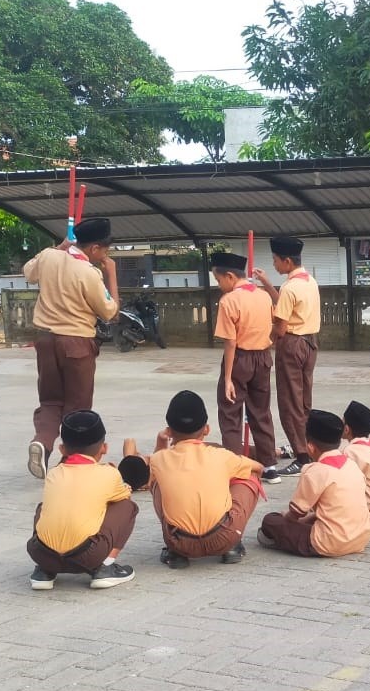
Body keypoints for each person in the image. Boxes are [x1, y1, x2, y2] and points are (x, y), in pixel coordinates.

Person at [24, 217, 120, 479]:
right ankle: (70, 462)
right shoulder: (88, 272)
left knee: (50, 401)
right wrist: (111, 274)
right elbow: (109, 311)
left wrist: (59, 246)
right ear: (94, 249)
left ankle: (42, 442)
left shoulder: (49, 256)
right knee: (77, 407)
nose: (105, 256)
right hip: (77, 342)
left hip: (46, 341)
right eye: (105, 251)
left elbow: (28, 272)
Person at [126, 390, 263, 568]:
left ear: (169, 431)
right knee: (249, 474)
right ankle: (232, 546)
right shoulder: (220, 455)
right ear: (206, 429)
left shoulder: (159, 459)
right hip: (224, 537)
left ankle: (175, 554)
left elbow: (149, 468)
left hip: (180, 542)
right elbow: (258, 468)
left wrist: (161, 443)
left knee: (157, 481)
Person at [27, 410, 137, 590]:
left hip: (41, 553)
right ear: (104, 448)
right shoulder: (109, 473)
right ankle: (104, 568)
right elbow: (124, 495)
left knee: (43, 507)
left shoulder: (53, 473)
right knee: (126, 506)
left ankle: (44, 571)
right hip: (86, 557)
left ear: (62, 449)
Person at [258, 410, 370, 557]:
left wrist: (286, 519)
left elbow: (295, 513)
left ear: (310, 447)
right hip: (362, 536)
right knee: (311, 517)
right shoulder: (351, 465)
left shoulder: (314, 470)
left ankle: (283, 540)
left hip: (330, 542)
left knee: (270, 521)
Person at [255, 236, 320, 477]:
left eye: (275, 260)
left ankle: (302, 457)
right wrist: (266, 282)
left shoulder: (291, 287)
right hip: (310, 343)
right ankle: (310, 447)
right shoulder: (309, 281)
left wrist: (262, 344)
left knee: (289, 403)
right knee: (303, 401)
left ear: (287, 260)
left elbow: (280, 328)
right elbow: (284, 302)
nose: (274, 264)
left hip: (292, 346)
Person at [211, 251, 278, 481]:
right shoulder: (263, 296)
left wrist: (228, 378)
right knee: (261, 412)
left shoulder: (229, 300)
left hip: (239, 359)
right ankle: (269, 466)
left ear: (230, 276)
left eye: (218, 280)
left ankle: (235, 467)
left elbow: (230, 342)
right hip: (263, 358)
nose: (219, 285)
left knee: (230, 413)